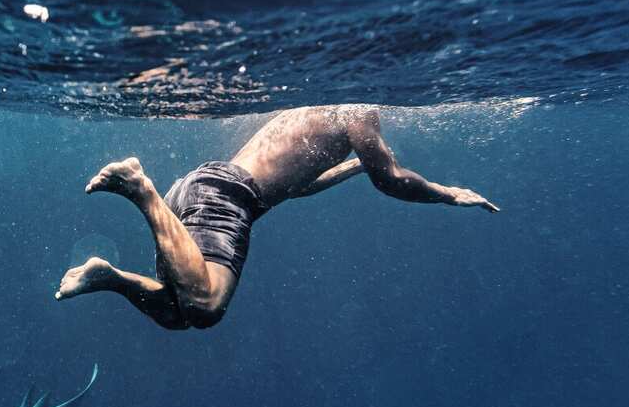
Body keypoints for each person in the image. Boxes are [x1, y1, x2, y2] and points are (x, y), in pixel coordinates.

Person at [54, 105, 499, 330]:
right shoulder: (357, 110)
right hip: (228, 195)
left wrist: (354, 167)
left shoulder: (316, 112)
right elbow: (394, 180)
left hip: (202, 188)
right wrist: (448, 194)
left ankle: (109, 278)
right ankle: (139, 188)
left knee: (178, 313)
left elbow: (295, 184)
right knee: (205, 306)